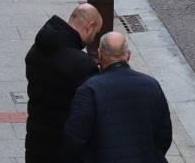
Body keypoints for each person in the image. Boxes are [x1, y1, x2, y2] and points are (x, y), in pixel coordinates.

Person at [63, 31, 172, 162]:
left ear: (100, 54)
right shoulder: (151, 85)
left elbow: (74, 138)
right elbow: (164, 133)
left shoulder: (89, 90)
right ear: (128, 55)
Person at [25, 4, 103, 162]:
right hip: (63, 147)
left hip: (36, 141)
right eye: (95, 33)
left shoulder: (36, 49)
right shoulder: (82, 64)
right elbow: (87, 112)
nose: (93, 38)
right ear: (90, 26)